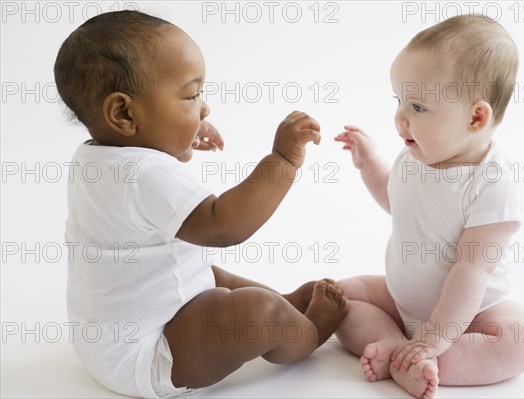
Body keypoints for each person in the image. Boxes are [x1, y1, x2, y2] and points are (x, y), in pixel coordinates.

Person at [55, 10, 347, 399]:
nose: (204, 108)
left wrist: (182, 131)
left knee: (205, 273)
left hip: (106, 347)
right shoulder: (145, 172)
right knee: (255, 311)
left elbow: (144, 187)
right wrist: (282, 160)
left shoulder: (96, 158)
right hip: (153, 354)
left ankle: (287, 304)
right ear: (124, 113)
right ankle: (306, 333)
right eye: (191, 96)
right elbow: (224, 225)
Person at [333, 14, 524, 399]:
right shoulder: (414, 158)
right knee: (341, 296)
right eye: (400, 100)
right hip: (402, 300)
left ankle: (429, 361)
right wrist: (369, 166)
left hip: (473, 317)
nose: (400, 117)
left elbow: (472, 269)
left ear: (476, 117)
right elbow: (397, 203)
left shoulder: (493, 183)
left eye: (418, 107)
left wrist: (436, 337)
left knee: (523, 339)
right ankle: (395, 346)